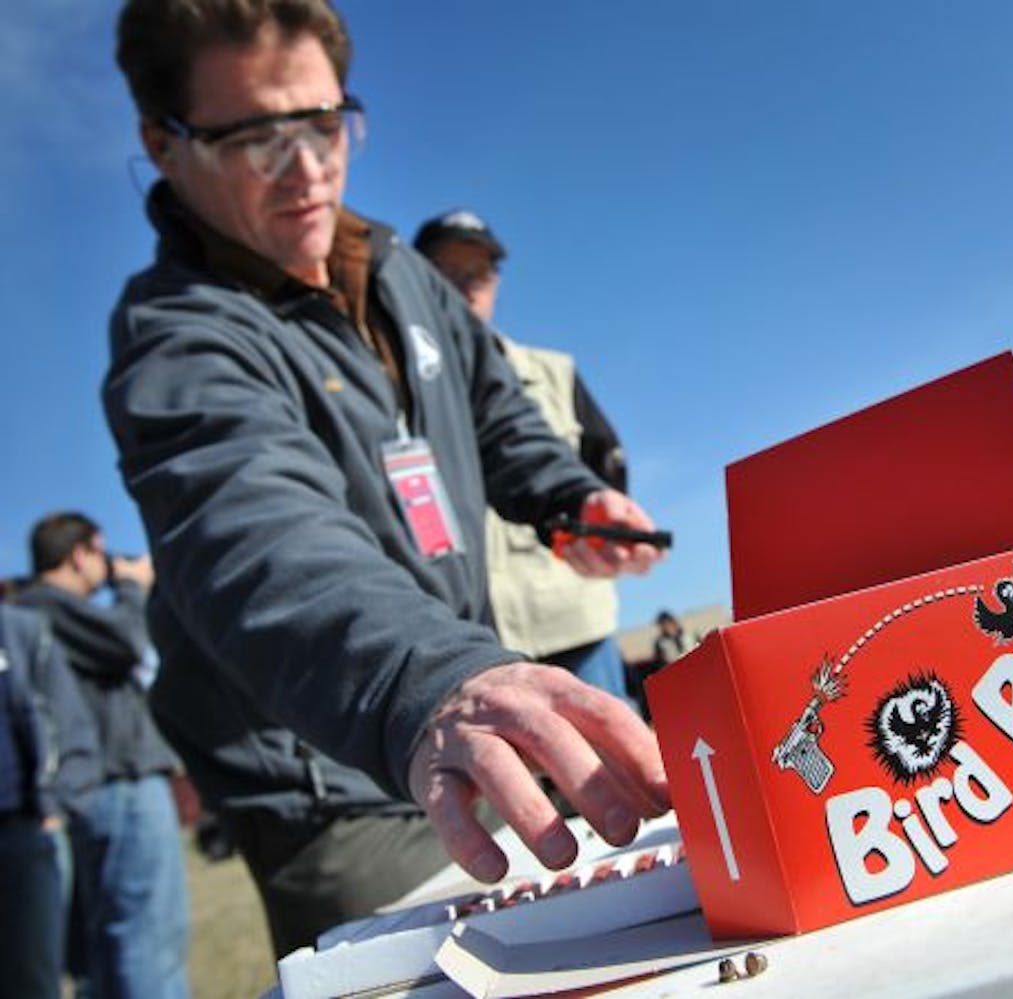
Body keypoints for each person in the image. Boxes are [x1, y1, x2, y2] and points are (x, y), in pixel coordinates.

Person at [106, 0, 669, 959]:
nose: (309, 169)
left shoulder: (399, 271)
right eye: (254, 137)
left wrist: (564, 497)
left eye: (324, 125)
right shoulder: (177, 338)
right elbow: (262, 544)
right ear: (164, 144)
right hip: (330, 782)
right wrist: (431, 679)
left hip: (453, 721)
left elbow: (496, 412)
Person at [413, 209, 634, 707]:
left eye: (479, 274)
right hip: (466, 647)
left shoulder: (554, 373)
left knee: (617, 777)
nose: (465, 288)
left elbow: (605, 474)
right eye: (447, 274)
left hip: (573, 626)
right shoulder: (392, 389)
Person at [17, 513, 190, 999]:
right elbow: (129, 643)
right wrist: (134, 588)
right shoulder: (48, 605)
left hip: (95, 788)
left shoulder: (31, 613)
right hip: (120, 783)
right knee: (148, 934)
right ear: (80, 553)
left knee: (109, 945)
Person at [0, 604, 102, 999]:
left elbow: (70, 727)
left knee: (32, 980)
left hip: (23, 833)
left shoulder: (21, 631)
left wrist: (55, 807)